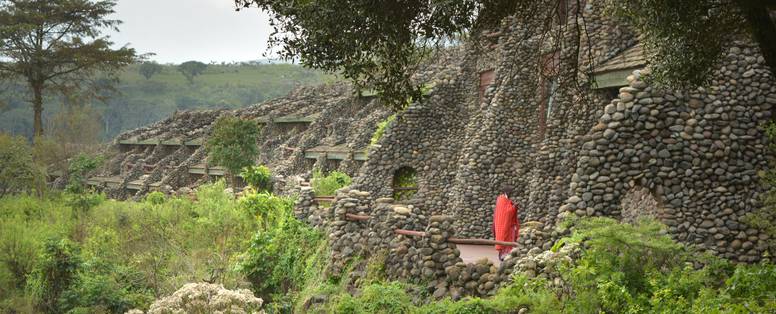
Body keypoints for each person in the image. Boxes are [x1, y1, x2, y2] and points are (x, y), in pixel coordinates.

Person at [492, 185, 520, 261]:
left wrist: (513, 206)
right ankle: (502, 256)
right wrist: (514, 207)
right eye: (510, 192)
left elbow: (507, 210)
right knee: (503, 238)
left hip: (508, 225)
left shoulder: (505, 200)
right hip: (503, 223)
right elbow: (506, 212)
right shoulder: (501, 200)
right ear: (506, 192)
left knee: (508, 239)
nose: (511, 194)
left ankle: (507, 255)